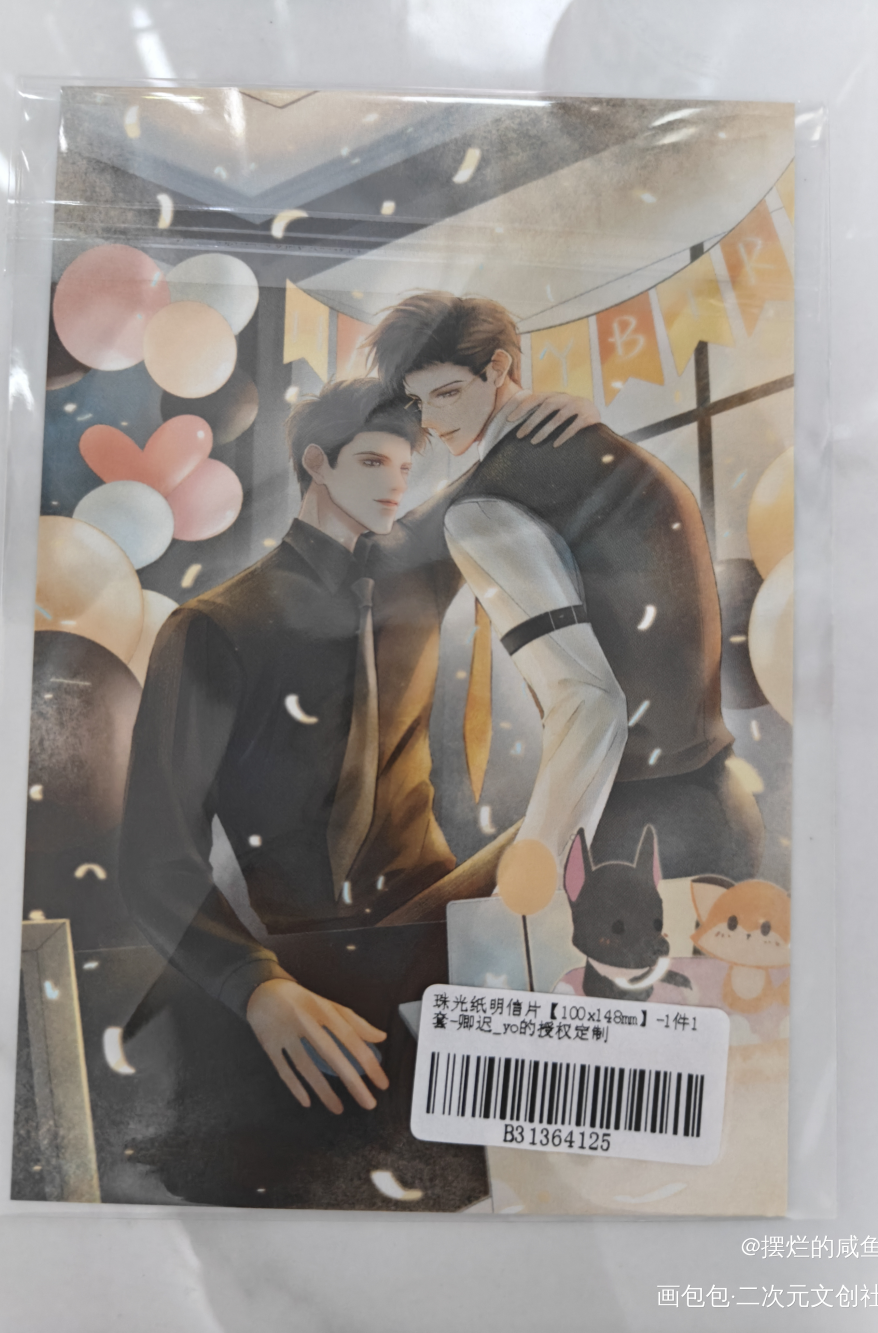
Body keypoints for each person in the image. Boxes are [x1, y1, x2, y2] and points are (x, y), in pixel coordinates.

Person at [118, 376, 598, 1207]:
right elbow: (155, 854)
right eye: (373, 461)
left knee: (577, 811)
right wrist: (255, 985)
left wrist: (576, 419)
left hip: (449, 927)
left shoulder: (418, 565)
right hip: (311, 952)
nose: (394, 483)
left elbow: (518, 467)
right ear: (316, 463)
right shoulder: (214, 628)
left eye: (406, 466)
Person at [364, 292, 764, 893]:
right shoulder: (597, 446)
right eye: (418, 403)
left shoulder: (483, 509)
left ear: (498, 368)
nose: (431, 421)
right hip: (719, 803)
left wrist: (540, 862)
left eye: (446, 393)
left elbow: (588, 702)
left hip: (632, 841)